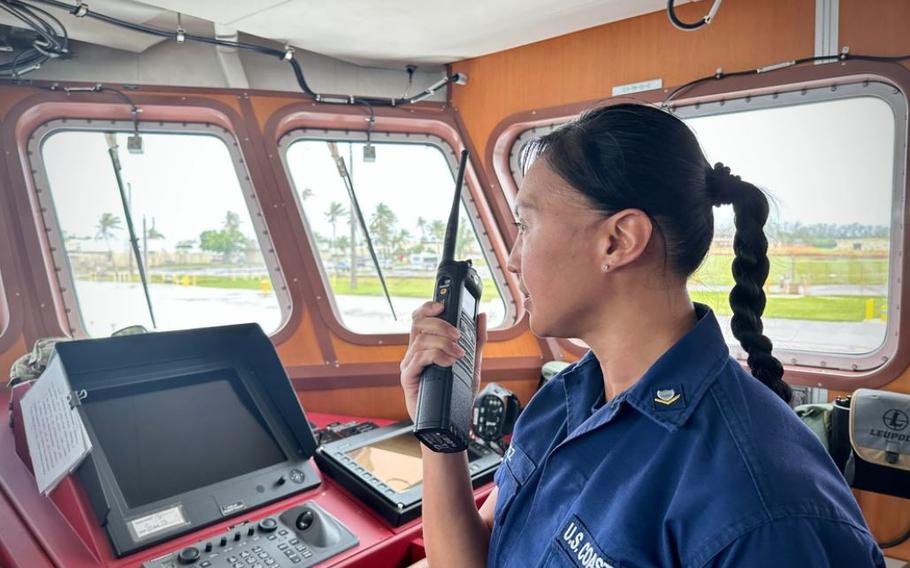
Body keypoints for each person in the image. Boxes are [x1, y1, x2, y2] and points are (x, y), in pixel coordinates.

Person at [399, 103, 884, 567]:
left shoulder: (764, 504)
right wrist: (440, 424)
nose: (513, 258)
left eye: (526, 225)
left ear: (619, 240)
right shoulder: (562, 402)